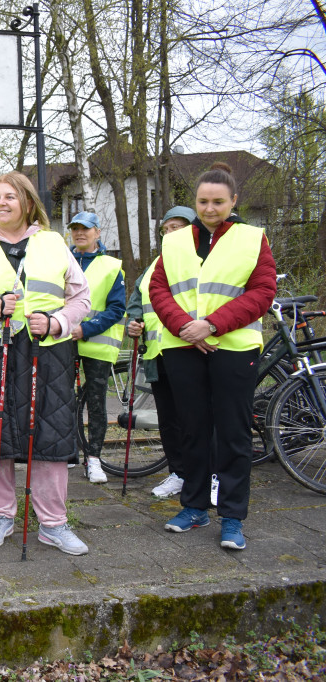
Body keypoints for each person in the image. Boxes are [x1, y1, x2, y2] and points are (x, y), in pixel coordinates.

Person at [0, 171, 91, 556]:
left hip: (46, 352)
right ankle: (0, 515)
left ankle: (53, 524)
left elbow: (82, 300)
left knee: (50, 435)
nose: (1, 203)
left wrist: (57, 321)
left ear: (27, 202)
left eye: (10, 197)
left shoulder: (55, 243)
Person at [149, 163, 276, 550]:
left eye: (218, 202)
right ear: (196, 202)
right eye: (203, 201)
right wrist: (186, 327)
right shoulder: (173, 242)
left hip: (232, 348)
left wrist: (212, 325)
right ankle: (195, 508)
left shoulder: (253, 238)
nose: (209, 208)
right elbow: (159, 288)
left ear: (233, 201)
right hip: (183, 345)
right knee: (193, 429)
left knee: (234, 434)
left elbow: (262, 291)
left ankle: (233, 518)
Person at [126, 206, 196, 498]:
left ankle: (208, 476)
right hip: (157, 355)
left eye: (177, 228)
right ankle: (178, 473)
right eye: (166, 229)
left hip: (192, 354)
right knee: (168, 420)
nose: (170, 233)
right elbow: (135, 301)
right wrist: (134, 321)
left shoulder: (202, 261)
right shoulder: (154, 265)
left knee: (196, 420)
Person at [67, 211, 127, 485]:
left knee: (96, 403)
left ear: (97, 233)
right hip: (63, 341)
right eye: (75, 229)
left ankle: (94, 459)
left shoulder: (112, 266)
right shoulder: (61, 261)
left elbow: (117, 308)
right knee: (61, 400)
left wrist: (86, 329)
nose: (80, 233)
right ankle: (67, 453)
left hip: (96, 345)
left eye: (85, 229)